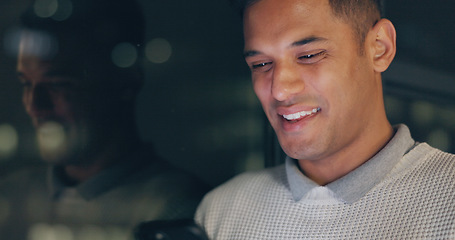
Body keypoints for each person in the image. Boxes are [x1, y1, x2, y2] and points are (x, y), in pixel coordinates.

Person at [195, 0, 455, 238]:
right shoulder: (223, 210)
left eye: (308, 56)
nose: (279, 90)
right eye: (261, 65)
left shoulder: (447, 198)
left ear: (379, 48)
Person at [0, 0, 209, 239]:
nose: (35, 107)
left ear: (125, 79)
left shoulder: (174, 207)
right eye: (27, 83)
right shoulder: (10, 198)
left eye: (59, 85)